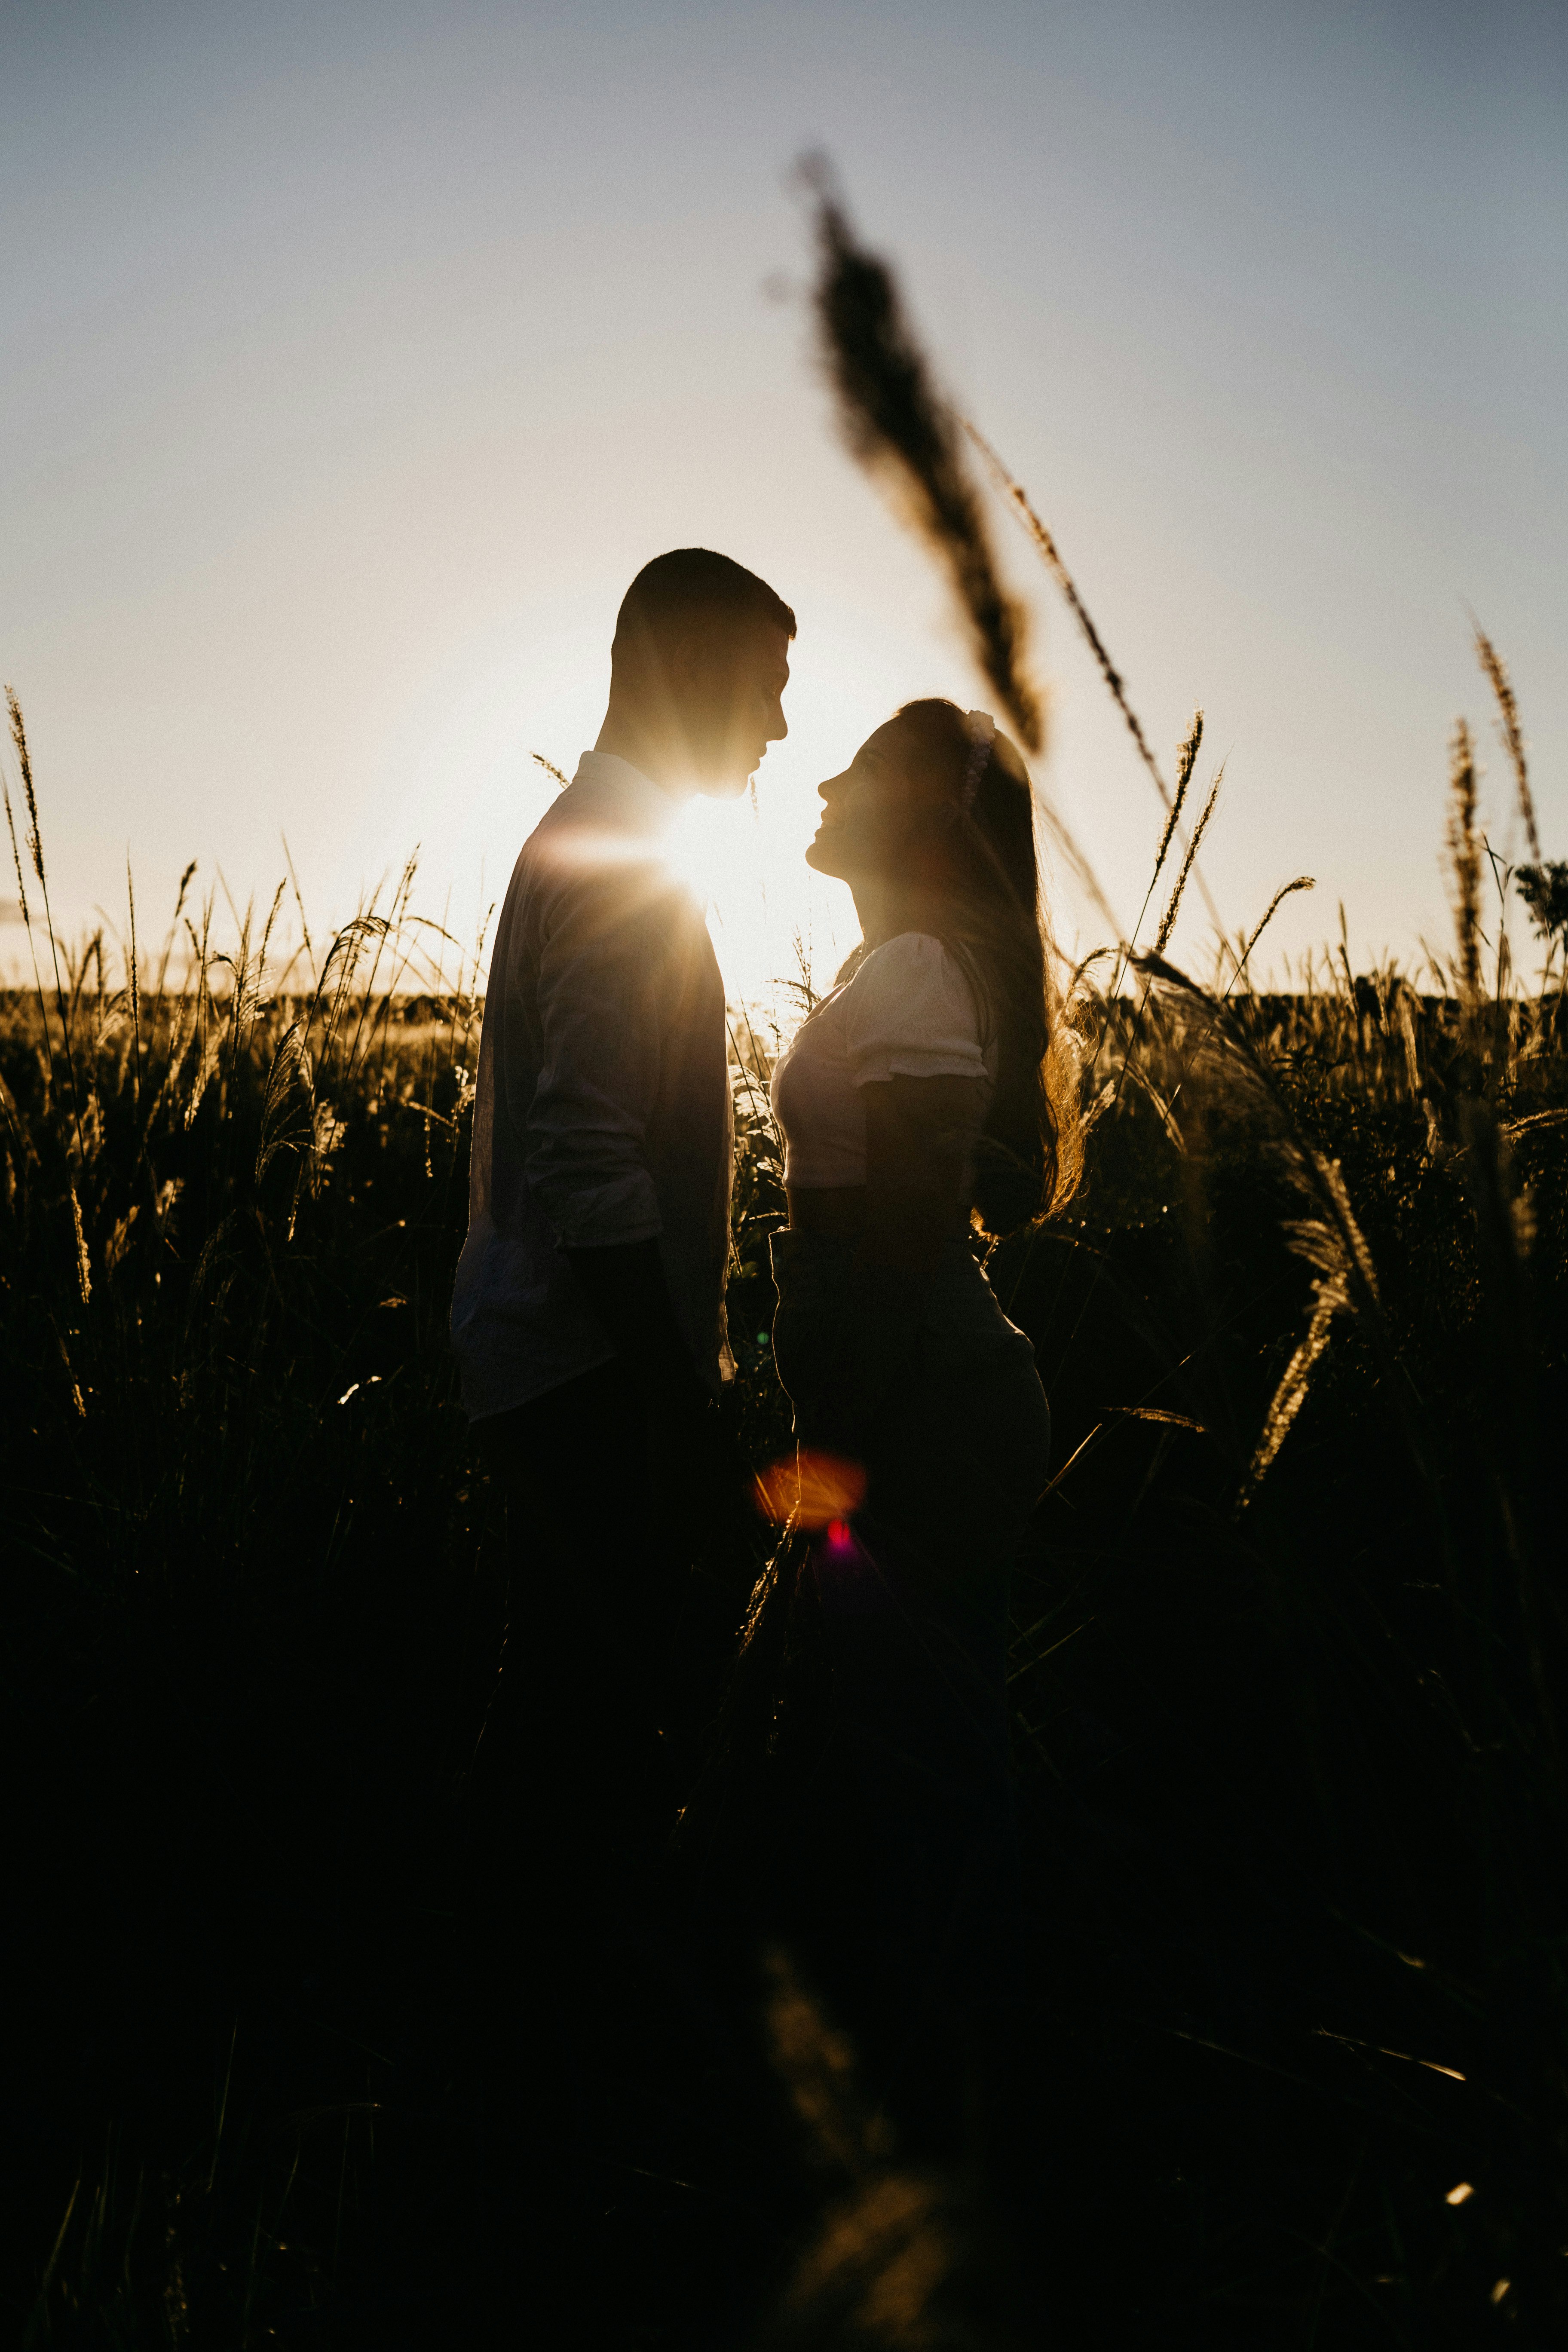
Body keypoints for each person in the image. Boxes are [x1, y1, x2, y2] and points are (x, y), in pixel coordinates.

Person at [760, 695, 1074, 2153]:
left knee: (937, 1766)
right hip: (915, 1393)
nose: (819, 777)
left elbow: (895, 1257)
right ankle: (951, 2091)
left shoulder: (922, 976)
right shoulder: (896, 969)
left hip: (923, 1405)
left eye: (861, 767)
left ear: (926, 815)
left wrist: (829, 1472)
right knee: (916, 1753)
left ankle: (972, 2122)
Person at [451, 547, 794, 1847]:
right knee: (582, 1736)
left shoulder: (609, 841)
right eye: (765, 684)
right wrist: (676, 1404)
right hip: (585, 1373)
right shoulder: (618, 860)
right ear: (691, 669)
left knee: (557, 1704)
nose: (777, 724)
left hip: (557, 1356)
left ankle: (502, 1972)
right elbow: (585, 1155)